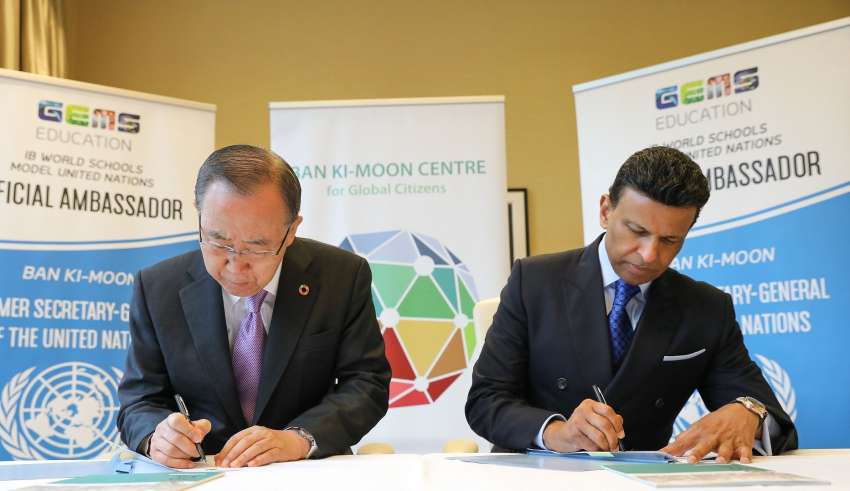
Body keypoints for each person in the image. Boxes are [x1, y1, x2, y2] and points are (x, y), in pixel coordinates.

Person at [466, 146, 797, 463]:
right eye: (637, 231)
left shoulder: (707, 308)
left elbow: (774, 420)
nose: (649, 255)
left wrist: (749, 413)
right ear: (605, 211)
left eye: (669, 240)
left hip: (645, 479)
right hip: (539, 475)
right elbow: (486, 400)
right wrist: (557, 433)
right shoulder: (533, 281)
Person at [118, 145, 391, 468]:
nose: (235, 265)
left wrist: (299, 439)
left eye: (256, 247)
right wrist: (158, 437)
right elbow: (139, 400)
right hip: (205, 471)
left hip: (307, 469)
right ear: (199, 215)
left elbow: (366, 383)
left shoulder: (341, 276)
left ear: (292, 230)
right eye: (218, 241)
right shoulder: (159, 287)